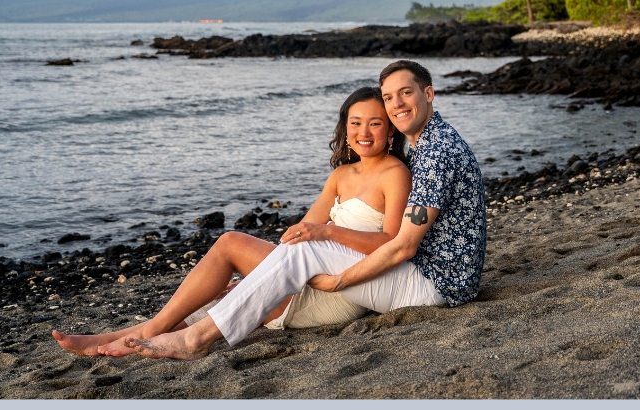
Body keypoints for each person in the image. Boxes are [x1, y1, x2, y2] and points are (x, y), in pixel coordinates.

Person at [70, 60, 487, 362]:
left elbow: (400, 246)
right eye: (388, 98)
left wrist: (336, 272)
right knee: (246, 251)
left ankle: (194, 338)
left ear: (428, 94)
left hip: (436, 285)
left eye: (404, 95)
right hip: (426, 275)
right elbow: (310, 226)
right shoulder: (425, 144)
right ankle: (139, 333)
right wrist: (276, 261)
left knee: (296, 254)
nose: (395, 106)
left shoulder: (432, 154)